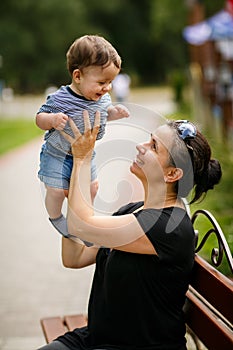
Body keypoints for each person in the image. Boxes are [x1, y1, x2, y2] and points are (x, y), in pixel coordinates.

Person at [38, 112, 222, 350]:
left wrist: (82, 159)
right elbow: (74, 258)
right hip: (96, 339)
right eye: (149, 139)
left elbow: (81, 224)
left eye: (154, 146)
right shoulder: (134, 211)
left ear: (172, 174)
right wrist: (80, 198)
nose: (140, 146)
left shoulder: (167, 227)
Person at [36, 35, 129, 239]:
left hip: (87, 153)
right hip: (57, 154)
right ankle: (55, 217)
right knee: (56, 191)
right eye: (102, 82)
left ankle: (84, 218)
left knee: (93, 187)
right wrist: (51, 120)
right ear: (78, 76)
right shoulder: (60, 98)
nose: (107, 88)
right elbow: (39, 118)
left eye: (111, 82)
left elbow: (103, 115)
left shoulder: (103, 97)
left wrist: (115, 113)